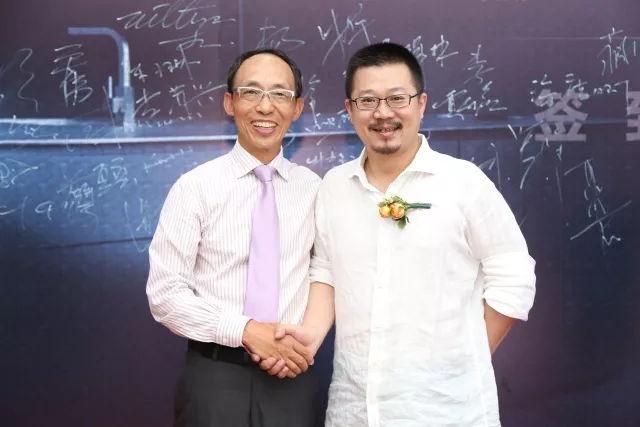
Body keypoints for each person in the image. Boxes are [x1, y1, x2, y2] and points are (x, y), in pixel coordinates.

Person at [262, 42, 536, 426]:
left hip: (448, 412)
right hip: (355, 410)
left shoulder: (463, 182)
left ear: (421, 104)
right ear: (350, 110)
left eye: (397, 98)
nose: (383, 113)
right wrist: (306, 339)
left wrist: (467, 359)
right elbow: (325, 272)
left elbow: (514, 275)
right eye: (367, 101)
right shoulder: (334, 187)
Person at [146, 48, 321, 427]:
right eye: (251, 92)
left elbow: (327, 276)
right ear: (230, 103)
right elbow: (165, 294)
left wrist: (300, 344)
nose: (265, 106)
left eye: (280, 94)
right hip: (214, 377)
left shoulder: (315, 189)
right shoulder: (194, 187)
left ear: (297, 108)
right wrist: (245, 330)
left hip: (291, 377)